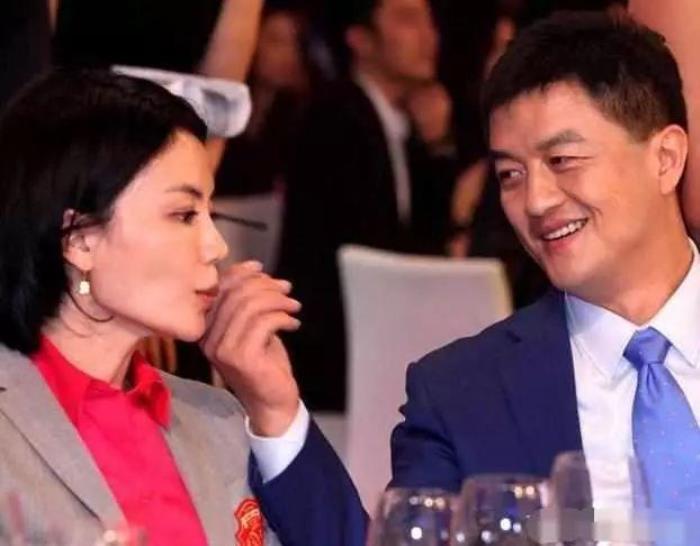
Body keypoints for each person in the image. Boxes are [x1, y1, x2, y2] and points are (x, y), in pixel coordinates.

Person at [246, 11, 700, 544]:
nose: (535, 201)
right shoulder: (462, 394)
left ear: (666, 159)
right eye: (510, 174)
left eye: (563, 159)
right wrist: (276, 412)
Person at [0, 69, 307, 545]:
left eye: (210, 214)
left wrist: (277, 410)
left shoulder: (218, 418)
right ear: (79, 240)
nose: (216, 246)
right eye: (184, 215)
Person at [276, 0, 458, 410]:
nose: (429, 36)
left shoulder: (401, 120)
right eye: (407, 20)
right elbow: (373, 248)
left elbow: (430, 232)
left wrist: (437, 146)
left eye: (429, 20)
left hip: (381, 324)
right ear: (361, 40)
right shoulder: (335, 117)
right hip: (334, 350)